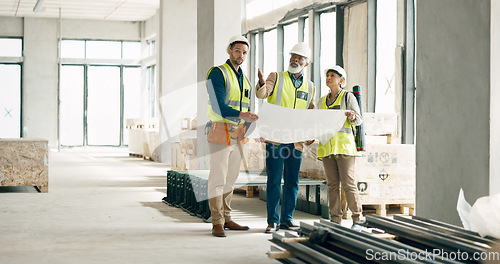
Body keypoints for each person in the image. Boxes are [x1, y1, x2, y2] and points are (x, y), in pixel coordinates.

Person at [256, 42, 315, 233]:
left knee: (292, 181)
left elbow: (310, 111)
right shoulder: (277, 77)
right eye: (293, 56)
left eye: (299, 58)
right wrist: (262, 82)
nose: (295, 60)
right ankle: (272, 221)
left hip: (296, 140)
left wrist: (311, 133)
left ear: (306, 63)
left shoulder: (310, 86)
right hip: (276, 138)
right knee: (273, 180)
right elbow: (262, 94)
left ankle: (286, 219)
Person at [206, 35, 259, 237]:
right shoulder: (217, 73)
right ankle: (216, 221)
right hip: (220, 130)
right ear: (229, 51)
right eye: (237, 51)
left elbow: (245, 106)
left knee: (231, 180)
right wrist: (242, 115)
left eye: (245, 52)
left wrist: (248, 123)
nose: (241, 55)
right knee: (218, 179)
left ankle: (227, 218)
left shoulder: (245, 79)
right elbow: (218, 105)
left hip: (239, 133)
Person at [316, 65, 363, 224]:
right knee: (332, 186)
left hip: (344, 149)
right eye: (327, 75)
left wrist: (352, 116)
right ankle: (335, 220)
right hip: (327, 149)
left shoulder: (347, 97)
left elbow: (358, 120)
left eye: (332, 76)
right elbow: (317, 124)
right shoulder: (321, 101)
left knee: (349, 185)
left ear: (341, 80)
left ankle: (357, 219)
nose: (328, 78)